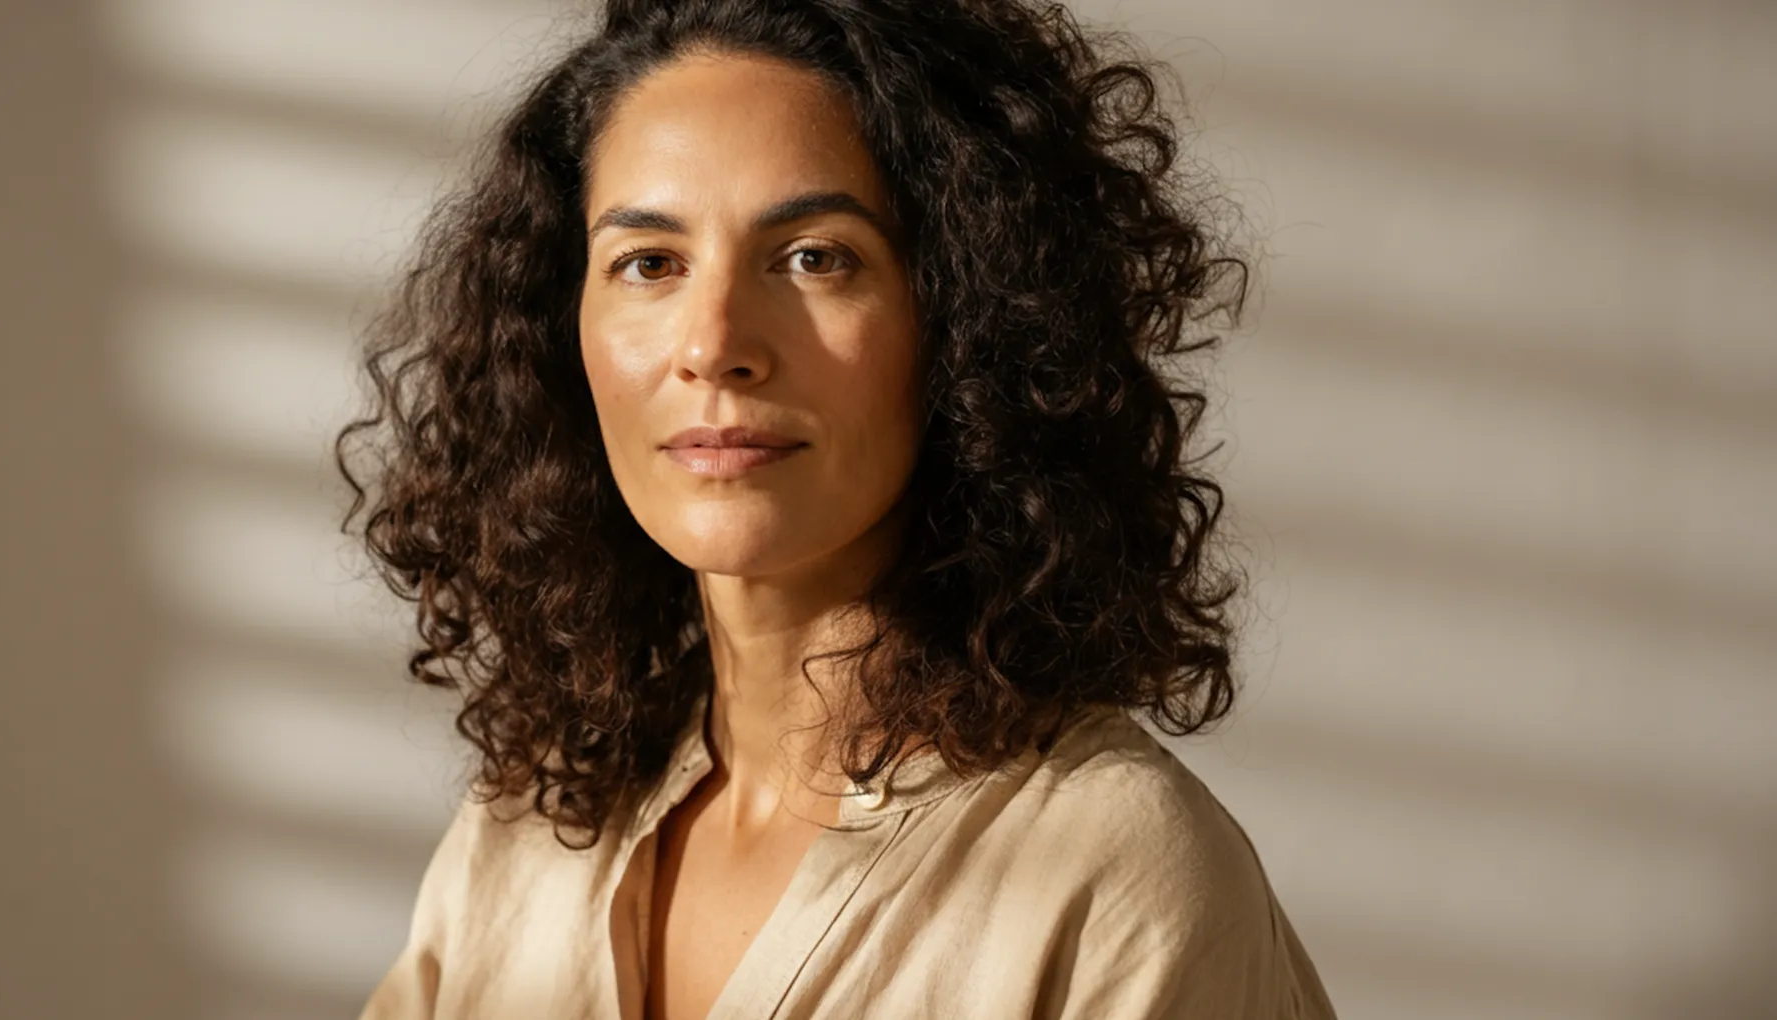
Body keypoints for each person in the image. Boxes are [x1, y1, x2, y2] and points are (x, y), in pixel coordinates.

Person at [337, 0, 1335, 1016]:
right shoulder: (530, 827)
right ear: (563, 333)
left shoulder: (1115, 873)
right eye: (649, 263)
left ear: (964, 319)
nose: (715, 340)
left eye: (815, 256)